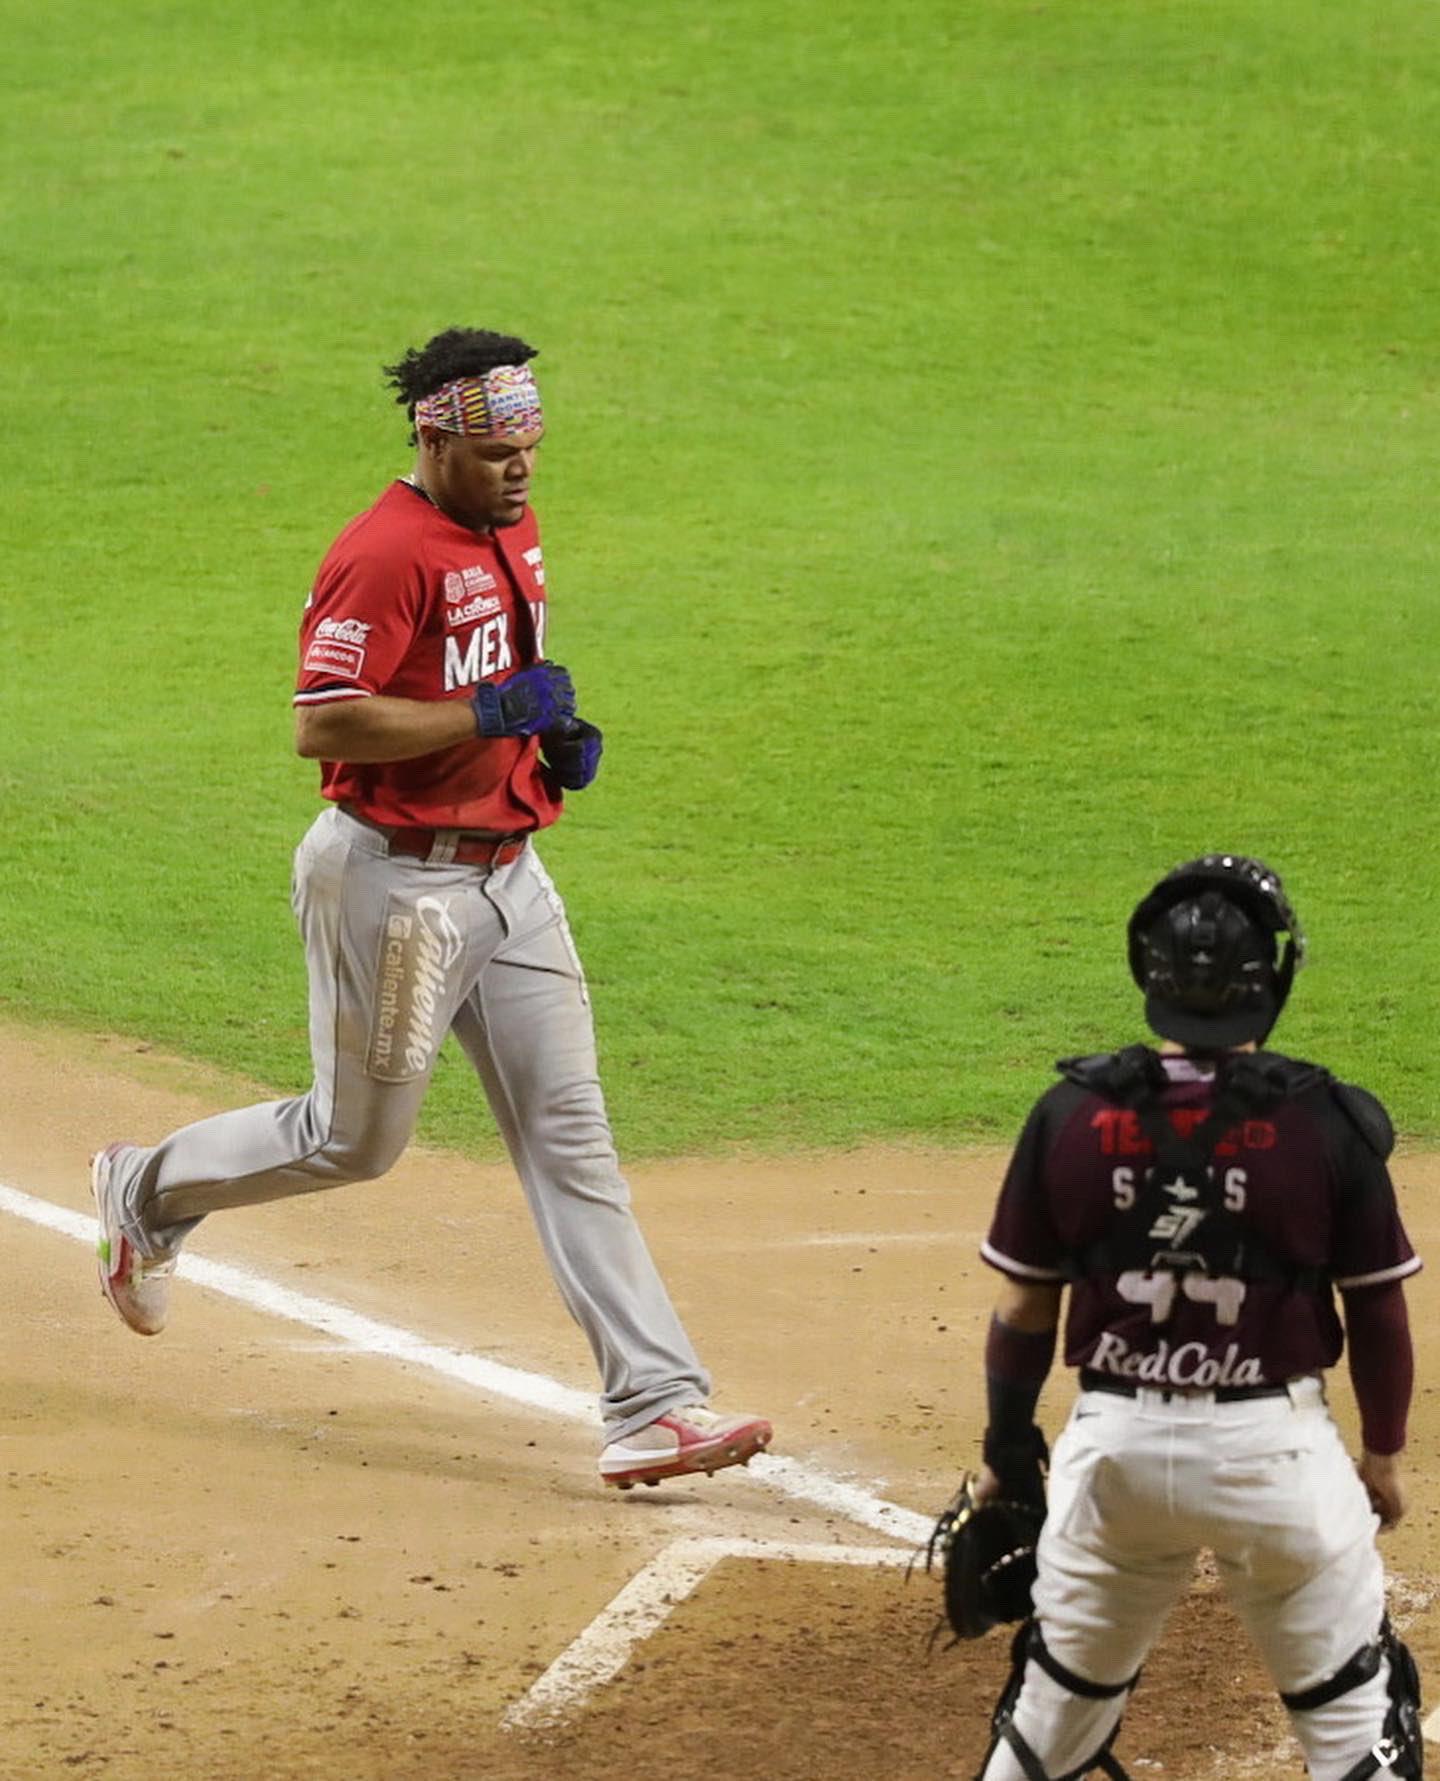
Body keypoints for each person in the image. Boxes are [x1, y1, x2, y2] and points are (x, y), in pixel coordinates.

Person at [91, 327, 772, 1492]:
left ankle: (652, 1400)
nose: (522, 468)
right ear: (435, 439)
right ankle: (144, 1187)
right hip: (397, 888)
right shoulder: (384, 553)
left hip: (509, 881)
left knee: (572, 1138)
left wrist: (542, 742)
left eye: (531, 447)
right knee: (353, 1141)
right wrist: (487, 716)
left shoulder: (511, 527)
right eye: (499, 451)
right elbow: (324, 720)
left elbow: (493, 681)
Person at [968, 853, 1422, 1781]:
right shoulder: (1325, 1121)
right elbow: (1378, 1308)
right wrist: (1381, 1454)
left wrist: (1007, 1452)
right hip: (1274, 1460)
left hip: (1116, 1456)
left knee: (1045, 1726)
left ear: (1148, 972)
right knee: (1357, 1729)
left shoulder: (1071, 1113)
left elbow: (1023, 1306)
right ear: (1275, 979)